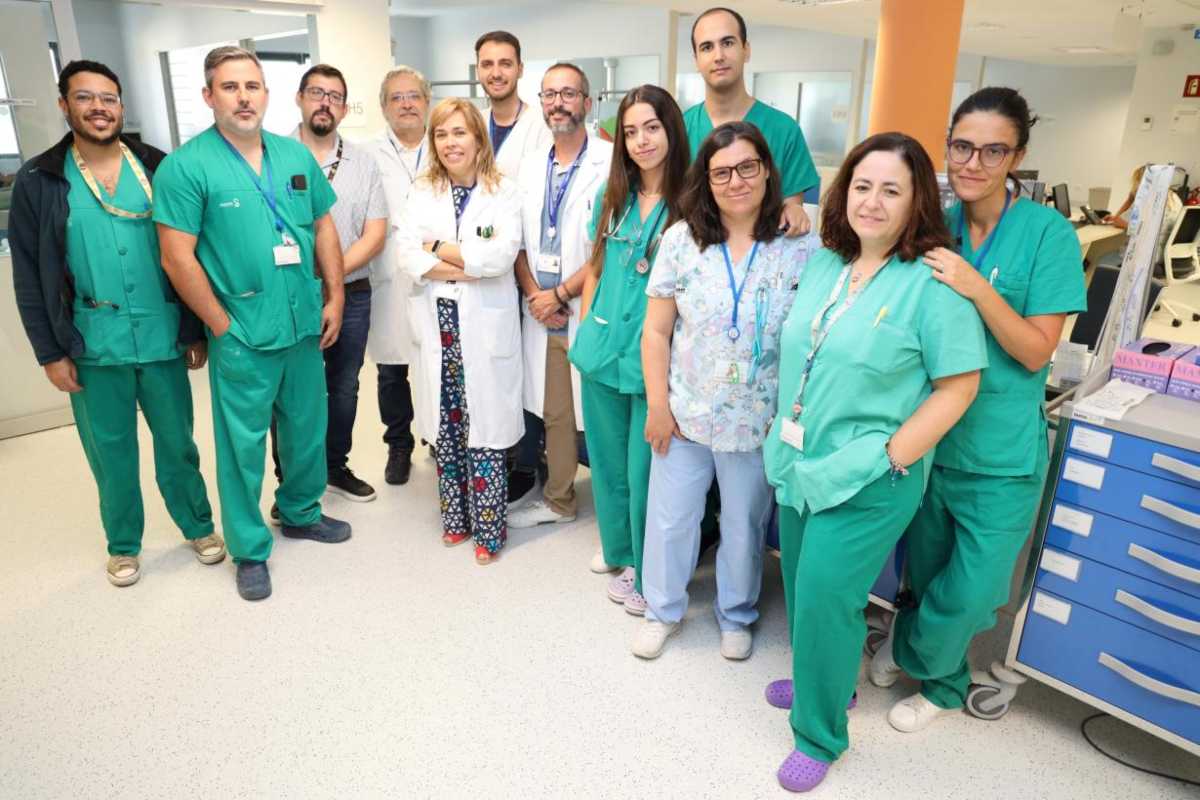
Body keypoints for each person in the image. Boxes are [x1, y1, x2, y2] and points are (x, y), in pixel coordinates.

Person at [762, 132, 987, 793]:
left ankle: (820, 732)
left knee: (830, 596)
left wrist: (894, 455)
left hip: (872, 473)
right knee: (804, 584)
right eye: (862, 185)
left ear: (918, 200)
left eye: (892, 189)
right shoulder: (830, 263)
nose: (872, 200)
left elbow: (960, 386)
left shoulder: (933, 282)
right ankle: (821, 684)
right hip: (804, 458)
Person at [872, 88, 1088, 733]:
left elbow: (1033, 351)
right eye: (962, 146)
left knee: (973, 592)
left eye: (993, 150)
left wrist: (973, 286)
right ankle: (934, 671)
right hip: (932, 438)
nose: (973, 162)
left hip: (999, 451)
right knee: (926, 572)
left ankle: (925, 668)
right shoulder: (932, 219)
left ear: (1017, 156)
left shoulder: (1047, 235)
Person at [9, 60, 223, 587]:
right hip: (89, 344)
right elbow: (29, 276)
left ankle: (198, 526)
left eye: (109, 98)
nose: (99, 108)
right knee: (111, 451)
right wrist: (49, 352)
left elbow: (188, 253)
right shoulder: (40, 180)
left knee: (178, 444)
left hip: (161, 336)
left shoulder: (158, 166)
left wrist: (193, 328)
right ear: (65, 105)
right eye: (85, 98)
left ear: (121, 105)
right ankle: (123, 543)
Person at [154, 46, 351, 602]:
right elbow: (177, 257)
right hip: (242, 332)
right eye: (231, 87)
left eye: (253, 86)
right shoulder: (186, 167)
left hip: (303, 326)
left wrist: (333, 295)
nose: (244, 97)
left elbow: (323, 227)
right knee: (242, 446)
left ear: (267, 94)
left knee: (306, 429)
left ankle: (301, 511)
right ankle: (248, 547)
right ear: (209, 95)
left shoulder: (294, 156)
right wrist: (219, 325)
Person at [632, 121, 815, 660]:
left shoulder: (802, 245)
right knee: (671, 519)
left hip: (758, 421)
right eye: (721, 172)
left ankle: (736, 615)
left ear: (767, 171)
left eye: (747, 167)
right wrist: (658, 406)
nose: (735, 181)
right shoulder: (680, 241)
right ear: (705, 181)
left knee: (743, 525)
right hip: (686, 413)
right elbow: (656, 331)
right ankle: (660, 608)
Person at [569, 84, 688, 615]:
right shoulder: (612, 195)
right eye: (632, 131)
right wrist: (587, 326)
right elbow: (596, 264)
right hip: (601, 348)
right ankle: (618, 549)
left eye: (652, 128)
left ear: (671, 131)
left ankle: (645, 563)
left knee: (644, 472)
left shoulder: (691, 201)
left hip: (651, 359)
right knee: (607, 463)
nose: (641, 141)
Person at [397, 98, 523, 565]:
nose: (451, 143)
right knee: (447, 425)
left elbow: (499, 258)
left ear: (477, 138)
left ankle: (489, 530)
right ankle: (456, 520)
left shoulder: (504, 191)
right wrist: (457, 259)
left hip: (483, 329)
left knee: (483, 428)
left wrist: (437, 249)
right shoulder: (422, 189)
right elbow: (406, 254)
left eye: (459, 133)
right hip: (438, 327)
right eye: (442, 135)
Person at [269, 64, 388, 504]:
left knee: (344, 386)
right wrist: (310, 281)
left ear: (344, 107)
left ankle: (334, 465)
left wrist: (330, 278)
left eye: (335, 96)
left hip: (353, 294)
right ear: (299, 98)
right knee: (290, 391)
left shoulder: (364, 163)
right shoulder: (269, 156)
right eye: (316, 92)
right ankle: (291, 479)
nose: (325, 102)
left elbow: (374, 234)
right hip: (289, 295)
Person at [507, 62, 613, 529]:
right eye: (549, 94)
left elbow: (611, 243)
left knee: (600, 409)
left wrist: (563, 292)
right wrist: (536, 293)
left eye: (568, 93)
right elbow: (517, 241)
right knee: (555, 407)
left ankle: (604, 500)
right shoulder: (529, 167)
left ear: (587, 103)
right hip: (542, 305)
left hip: (588, 300)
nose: (558, 103)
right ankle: (560, 498)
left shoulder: (611, 164)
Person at [684, 7, 819, 236]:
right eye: (707, 47)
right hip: (692, 258)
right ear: (696, 60)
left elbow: (791, 207)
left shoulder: (783, 129)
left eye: (728, 43)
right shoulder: (679, 128)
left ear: (746, 50)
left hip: (762, 260)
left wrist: (795, 211)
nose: (719, 56)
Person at [366, 66, 430, 486]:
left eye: (414, 96)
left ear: (427, 102)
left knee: (439, 363)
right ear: (384, 107)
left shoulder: (447, 144)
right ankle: (399, 444)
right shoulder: (366, 154)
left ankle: (440, 439)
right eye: (396, 97)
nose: (406, 104)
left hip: (437, 272)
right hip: (388, 274)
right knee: (392, 370)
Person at [474, 30, 553, 178]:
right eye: (487, 64)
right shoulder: (473, 123)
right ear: (477, 70)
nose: (496, 73)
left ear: (520, 70)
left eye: (505, 64)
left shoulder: (543, 125)